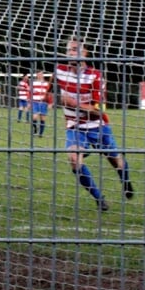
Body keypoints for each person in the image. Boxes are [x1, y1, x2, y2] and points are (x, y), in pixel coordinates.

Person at [54, 38, 134, 211]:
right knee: (74, 160)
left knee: (116, 161)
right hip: (75, 127)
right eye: (68, 50)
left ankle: (125, 180)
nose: (70, 53)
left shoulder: (96, 76)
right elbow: (50, 93)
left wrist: (74, 104)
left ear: (85, 53)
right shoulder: (59, 71)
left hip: (98, 126)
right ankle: (99, 199)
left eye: (75, 49)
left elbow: (99, 110)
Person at [28, 70, 52, 137]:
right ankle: (35, 130)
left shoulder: (46, 84)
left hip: (43, 103)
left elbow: (49, 94)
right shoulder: (33, 83)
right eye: (38, 74)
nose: (40, 75)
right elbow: (30, 93)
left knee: (42, 118)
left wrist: (50, 103)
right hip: (35, 102)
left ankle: (40, 134)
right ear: (36, 75)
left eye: (41, 74)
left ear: (43, 75)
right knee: (34, 117)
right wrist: (29, 102)